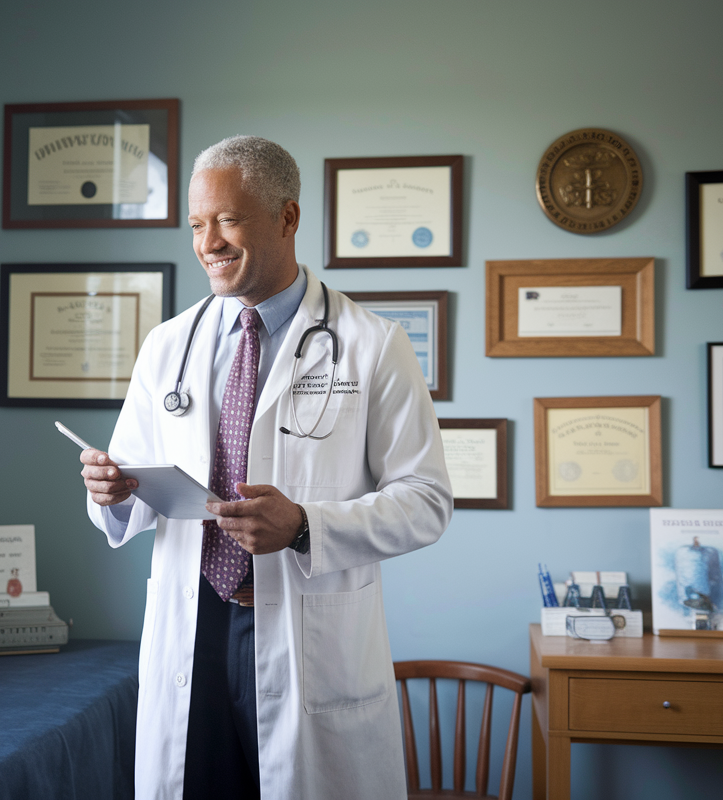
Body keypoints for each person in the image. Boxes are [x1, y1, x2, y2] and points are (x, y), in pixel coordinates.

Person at [80, 136, 452, 799]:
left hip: (306, 629)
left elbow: (426, 501)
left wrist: (306, 524)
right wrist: (110, 491)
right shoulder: (167, 345)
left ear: (287, 217)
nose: (208, 242)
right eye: (197, 224)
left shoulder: (372, 345)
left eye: (227, 219)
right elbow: (133, 489)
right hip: (192, 624)